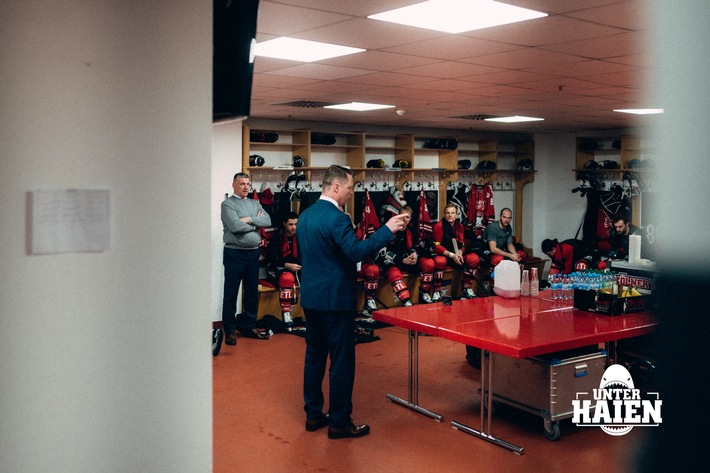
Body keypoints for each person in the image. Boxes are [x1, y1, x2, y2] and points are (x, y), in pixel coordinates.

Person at [297, 165, 408, 440]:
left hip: (311, 298)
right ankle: (339, 422)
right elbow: (355, 251)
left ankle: (313, 415)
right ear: (335, 187)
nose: (350, 193)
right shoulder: (337, 218)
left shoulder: (305, 216)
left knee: (314, 357)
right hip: (335, 300)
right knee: (342, 361)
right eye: (349, 188)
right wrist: (386, 229)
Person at [221, 172, 272, 345]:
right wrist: (255, 224)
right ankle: (229, 330)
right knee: (231, 293)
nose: (245, 187)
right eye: (242, 184)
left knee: (251, 292)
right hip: (234, 253)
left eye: (248, 184)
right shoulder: (227, 204)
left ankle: (249, 326)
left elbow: (267, 221)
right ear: (234, 185)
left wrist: (249, 220)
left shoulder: (254, 203)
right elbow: (235, 226)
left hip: (253, 253)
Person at [372, 205, 437, 306]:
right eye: (402, 216)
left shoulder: (411, 229)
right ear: (398, 215)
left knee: (428, 263)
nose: (404, 219)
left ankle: (424, 293)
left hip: (405, 258)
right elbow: (382, 252)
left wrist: (414, 255)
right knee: (394, 272)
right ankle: (406, 301)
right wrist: (402, 260)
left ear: (410, 218)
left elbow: (415, 247)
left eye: (407, 217)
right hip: (388, 259)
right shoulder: (389, 228)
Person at [432, 203, 481, 299]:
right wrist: (451, 255)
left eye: (452, 213)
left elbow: (462, 243)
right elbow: (436, 246)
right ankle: (437, 291)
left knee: (474, 259)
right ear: (444, 214)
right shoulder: (439, 226)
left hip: (456, 254)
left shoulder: (460, 227)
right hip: (445, 254)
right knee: (439, 261)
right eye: (448, 213)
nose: (450, 215)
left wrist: (460, 253)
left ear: (456, 214)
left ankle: (466, 288)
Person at [266, 211, 301, 327]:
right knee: (287, 277)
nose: (294, 227)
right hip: (276, 269)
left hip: (295, 269)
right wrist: (287, 265)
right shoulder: (277, 238)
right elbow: (272, 259)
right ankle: (286, 313)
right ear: (284, 224)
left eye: (296, 224)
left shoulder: (300, 238)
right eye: (291, 224)